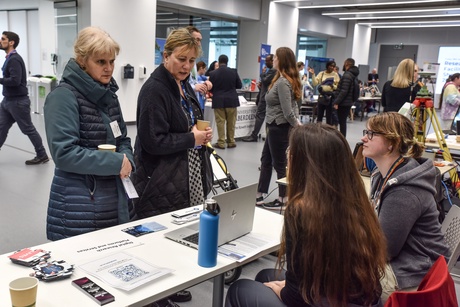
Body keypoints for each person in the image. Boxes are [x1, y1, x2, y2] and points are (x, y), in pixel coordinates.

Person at [226, 124, 388, 307]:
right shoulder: (356, 200)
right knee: (264, 276)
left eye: (290, 152)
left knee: (239, 289)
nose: (287, 157)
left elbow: (296, 297)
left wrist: (282, 290)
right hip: (362, 300)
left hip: (327, 300)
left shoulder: (302, 210)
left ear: (302, 161)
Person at [44, 27, 134, 241]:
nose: (109, 68)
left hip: (115, 196)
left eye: (111, 61)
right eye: (101, 62)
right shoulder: (63, 97)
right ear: (82, 60)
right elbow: (64, 153)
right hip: (80, 203)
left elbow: (123, 138)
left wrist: (128, 159)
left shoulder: (109, 95)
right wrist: (115, 162)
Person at [362, 112, 451, 302]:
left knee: (340, 272)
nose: (363, 138)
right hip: (409, 260)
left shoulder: (404, 191)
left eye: (371, 134)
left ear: (392, 143)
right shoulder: (383, 174)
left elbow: (385, 250)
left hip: (414, 272)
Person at [131, 27, 212, 218]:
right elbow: (153, 142)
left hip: (186, 178)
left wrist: (202, 134)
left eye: (191, 61)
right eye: (181, 59)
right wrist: (191, 139)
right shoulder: (154, 90)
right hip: (160, 183)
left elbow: (189, 124)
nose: (187, 66)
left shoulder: (184, 85)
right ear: (166, 56)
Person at [256, 47, 300, 209]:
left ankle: (283, 198)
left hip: (279, 127)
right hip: (273, 126)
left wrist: (298, 126)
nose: (272, 59)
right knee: (266, 160)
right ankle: (259, 195)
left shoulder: (282, 82)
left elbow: (289, 111)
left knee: (279, 163)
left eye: (275, 57)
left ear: (281, 60)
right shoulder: (279, 79)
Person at [0, 31, 49, 165]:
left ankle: (42, 154)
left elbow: (15, 81)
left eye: (3, 39)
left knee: (28, 129)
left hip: (17, 102)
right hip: (7, 101)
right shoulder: (9, 58)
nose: (0, 41)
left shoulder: (14, 59)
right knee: (1, 127)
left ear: (11, 42)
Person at [209, 54, 242, 149]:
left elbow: (211, 89)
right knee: (231, 122)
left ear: (218, 62)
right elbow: (239, 85)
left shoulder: (213, 73)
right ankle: (231, 141)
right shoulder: (233, 72)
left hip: (218, 100)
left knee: (220, 122)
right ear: (227, 62)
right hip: (231, 100)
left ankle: (221, 142)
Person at [242, 54, 275, 142]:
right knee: (264, 116)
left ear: (272, 61)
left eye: (267, 61)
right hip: (264, 96)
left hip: (265, 98)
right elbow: (266, 82)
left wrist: (263, 73)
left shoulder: (273, 70)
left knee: (260, 116)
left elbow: (265, 80)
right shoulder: (271, 71)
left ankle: (254, 135)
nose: (266, 62)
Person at [185, 26, 212, 111]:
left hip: (193, 102)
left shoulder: (194, 61)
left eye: (200, 40)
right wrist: (193, 87)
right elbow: (179, 84)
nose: (199, 44)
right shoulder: (183, 63)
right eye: (197, 39)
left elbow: (193, 81)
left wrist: (204, 83)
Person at [332, 57, 359, 137]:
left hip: (343, 103)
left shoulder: (347, 75)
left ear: (347, 64)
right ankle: (342, 138)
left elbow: (344, 91)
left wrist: (336, 102)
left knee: (342, 122)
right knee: (342, 122)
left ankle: (342, 139)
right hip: (348, 102)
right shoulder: (353, 75)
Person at [308, 60, 340, 125]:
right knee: (319, 116)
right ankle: (318, 131)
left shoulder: (335, 75)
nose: (332, 67)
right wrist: (313, 74)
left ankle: (328, 131)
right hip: (322, 96)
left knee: (329, 117)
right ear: (327, 66)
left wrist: (332, 85)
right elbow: (315, 83)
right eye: (331, 66)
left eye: (333, 66)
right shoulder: (321, 73)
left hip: (330, 97)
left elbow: (338, 87)